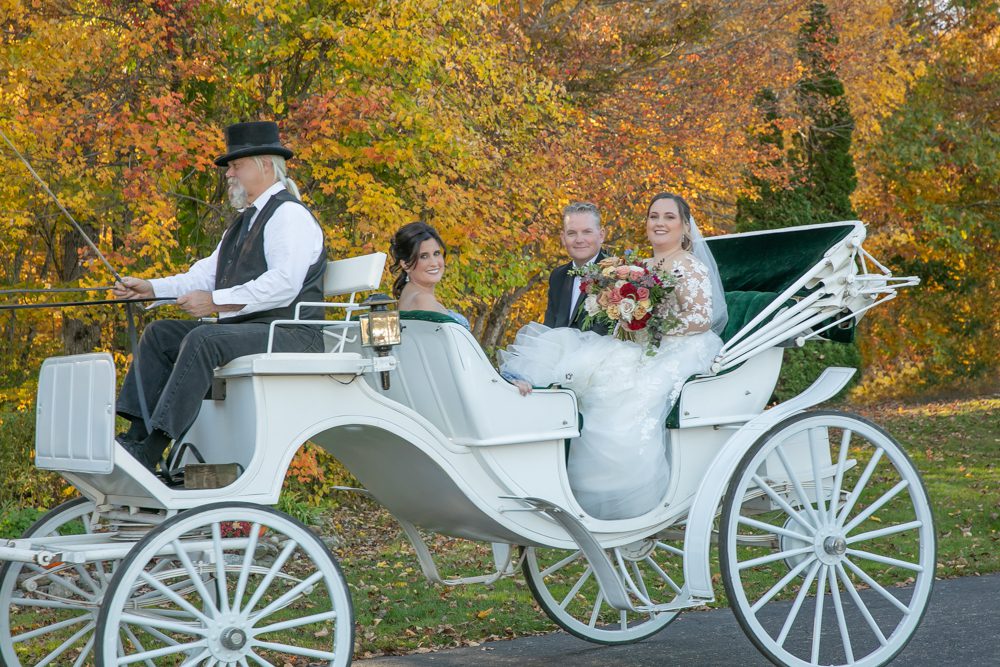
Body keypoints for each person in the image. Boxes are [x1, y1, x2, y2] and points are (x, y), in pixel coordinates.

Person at [112, 121, 327, 472]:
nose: (229, 173)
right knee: (161, 334)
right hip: (253, 329)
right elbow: (203, 276)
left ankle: (152, 450)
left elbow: (284, 284)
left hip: (292, 333)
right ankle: (135, 436)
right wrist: (151, 288)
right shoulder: (241, 225)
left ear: (267, 166)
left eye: (236, 165)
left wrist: (215, 302)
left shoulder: (289, 215)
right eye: (230, 166)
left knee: (203, 338)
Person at [499, 193, 727, 520]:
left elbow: (702, 318)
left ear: (684, 227)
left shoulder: (689, 266)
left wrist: (655, 322)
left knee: (627, 404)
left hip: (682, 349)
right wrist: (630, 318)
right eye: (653, 216)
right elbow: (625, 318)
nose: (659, 223)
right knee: (599, 377)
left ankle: (631, 499)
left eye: (668, 217)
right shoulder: (639, 268)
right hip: (642, 346)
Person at [389, 221, 469, 329]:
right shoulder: (423, 299)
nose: (434, 263)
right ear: (406, 265)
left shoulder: (410, 294)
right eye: (424, 256)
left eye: (436, 253)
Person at [544, 202, 609, 334]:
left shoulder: (617, 275)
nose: (579, 240)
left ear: (601, 235)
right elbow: (549, 327)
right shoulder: (558, 276)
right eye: (572, 233)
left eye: (587, 232)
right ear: (563, 238)